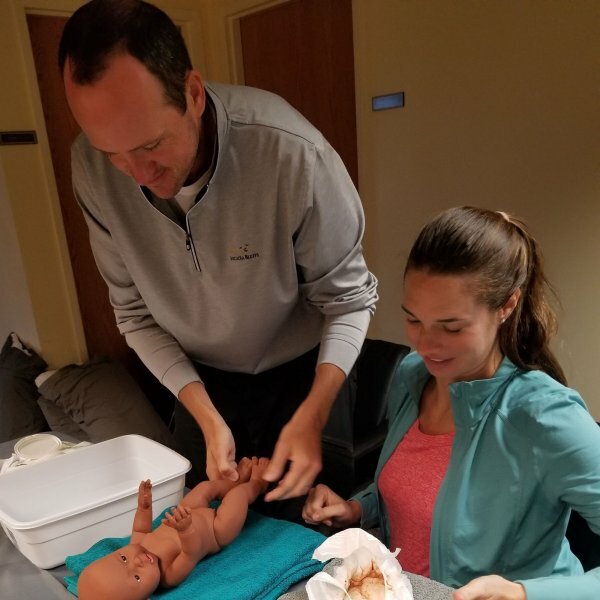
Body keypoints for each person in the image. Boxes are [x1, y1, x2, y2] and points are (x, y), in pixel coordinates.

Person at [58, 0, 377, 504]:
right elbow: (135, 315)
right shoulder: (90, 170)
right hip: (197, 380)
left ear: (193, 94)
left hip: (304, 372)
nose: (138, 176)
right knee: (195, 533)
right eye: (112, 153)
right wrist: (206, 416)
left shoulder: (290, 152)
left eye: (150, 145)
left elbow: (350, 301)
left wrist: (313, 413)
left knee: (315, 531)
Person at [302, 206, 600, 600]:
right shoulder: (412, 377)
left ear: (506, 306)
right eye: (414, 320)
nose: (425, 344)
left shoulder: (545, 417)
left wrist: (524, 593)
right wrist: (359, 510)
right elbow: (425, 493)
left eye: (451, 327)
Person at [78, 456, 270, 599]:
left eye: (123, 558)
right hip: (216, 529)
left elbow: (141, 528)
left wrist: (144, 507)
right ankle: (257, 484)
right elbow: (191, 553)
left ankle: (233, 482)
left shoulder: (138, 545)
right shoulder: (169, 576)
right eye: (137, 577)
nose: (137, 561)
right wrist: (185, 530)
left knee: (204, 488)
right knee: (238, 498)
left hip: (188, 512)